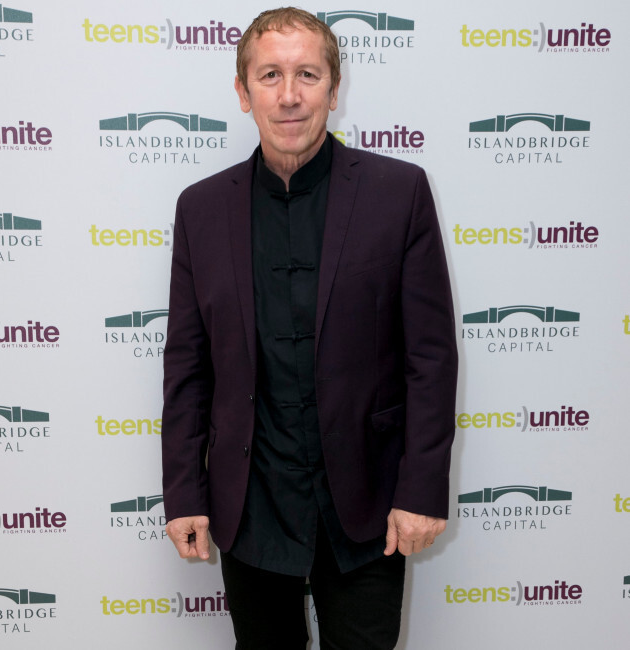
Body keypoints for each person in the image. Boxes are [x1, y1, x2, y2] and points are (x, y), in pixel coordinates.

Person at [162, 7, 458, 649]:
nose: (289, 95)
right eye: (270, 75)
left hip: (368, 504)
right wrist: (184, 491)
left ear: (333, 87)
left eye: (307, 75)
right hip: (251, 502)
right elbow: (187, 366)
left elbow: (431, 359)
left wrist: (421, 489)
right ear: (243, 92)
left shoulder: (399, 192)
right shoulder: (200, 208)